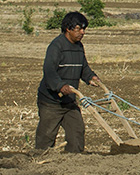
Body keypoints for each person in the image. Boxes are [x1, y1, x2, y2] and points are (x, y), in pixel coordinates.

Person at [35, 11, 101, 153]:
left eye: (84, 29)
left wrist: (91, 77)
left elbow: (83, 67)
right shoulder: (56, 46)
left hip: (69, 101)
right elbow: (49, 71)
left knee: (77, 131)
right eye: (78, 29)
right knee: (46, 136)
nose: (82, 32)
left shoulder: (78, 47)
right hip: (51, 101)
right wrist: (60, 86)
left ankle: (72, 163)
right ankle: (39, 158)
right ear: (68, 29)